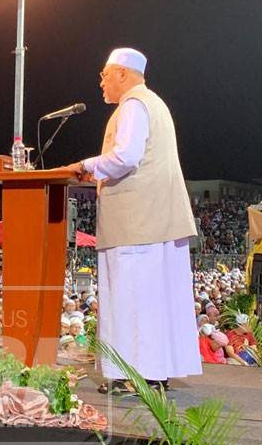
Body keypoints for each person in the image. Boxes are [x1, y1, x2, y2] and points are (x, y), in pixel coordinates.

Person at [66, 48, 200, 394]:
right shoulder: (154, 103)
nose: (101, 82)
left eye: (104, 75)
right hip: (152, 221)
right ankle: (152, 374)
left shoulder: (134, 105)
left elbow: (126, 156)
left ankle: (134, 376)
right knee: (150, 302)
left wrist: (86, 166)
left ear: (122, 73)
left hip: (138, 225)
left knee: (133, 301)